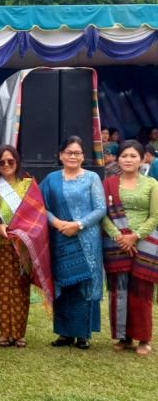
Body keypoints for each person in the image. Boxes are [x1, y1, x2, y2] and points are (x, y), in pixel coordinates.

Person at [40, 135, 106, 349]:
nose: (73, 156)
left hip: (86, 239)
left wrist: (78, 224)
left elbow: (100, 209)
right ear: (61, 155)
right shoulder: (51, 179)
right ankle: (64, 333)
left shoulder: (92, 178)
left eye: (77, 153)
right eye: (69, 152)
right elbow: (39, 206)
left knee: (83, 284)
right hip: (60, 238)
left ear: (83, 156)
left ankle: (82, 334)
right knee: (64, 283)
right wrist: (57, 223)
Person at [0, 145, 54, 348]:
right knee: (1, 287)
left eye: (11, 161)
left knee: (20, 287)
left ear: (17, 161)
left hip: (23, 246)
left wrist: (24, 233)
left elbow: (37, 214)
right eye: (1, 162)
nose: (6, 165)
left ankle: (18, 333)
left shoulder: (28, 185)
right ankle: (4, 332)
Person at [101, 140, 158, 357]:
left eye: (133, 156)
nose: (128, 160)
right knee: (119, 290)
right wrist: (118, 236)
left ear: (142, 159)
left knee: (142, 291)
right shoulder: (109, 183)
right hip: (116, 243)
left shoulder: (152, 184)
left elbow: (155, 216)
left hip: (144, 242)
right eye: (124, 156)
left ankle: (143, 338)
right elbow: (103, 214)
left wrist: (135, 236)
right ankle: (124, 337)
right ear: (118, 159)